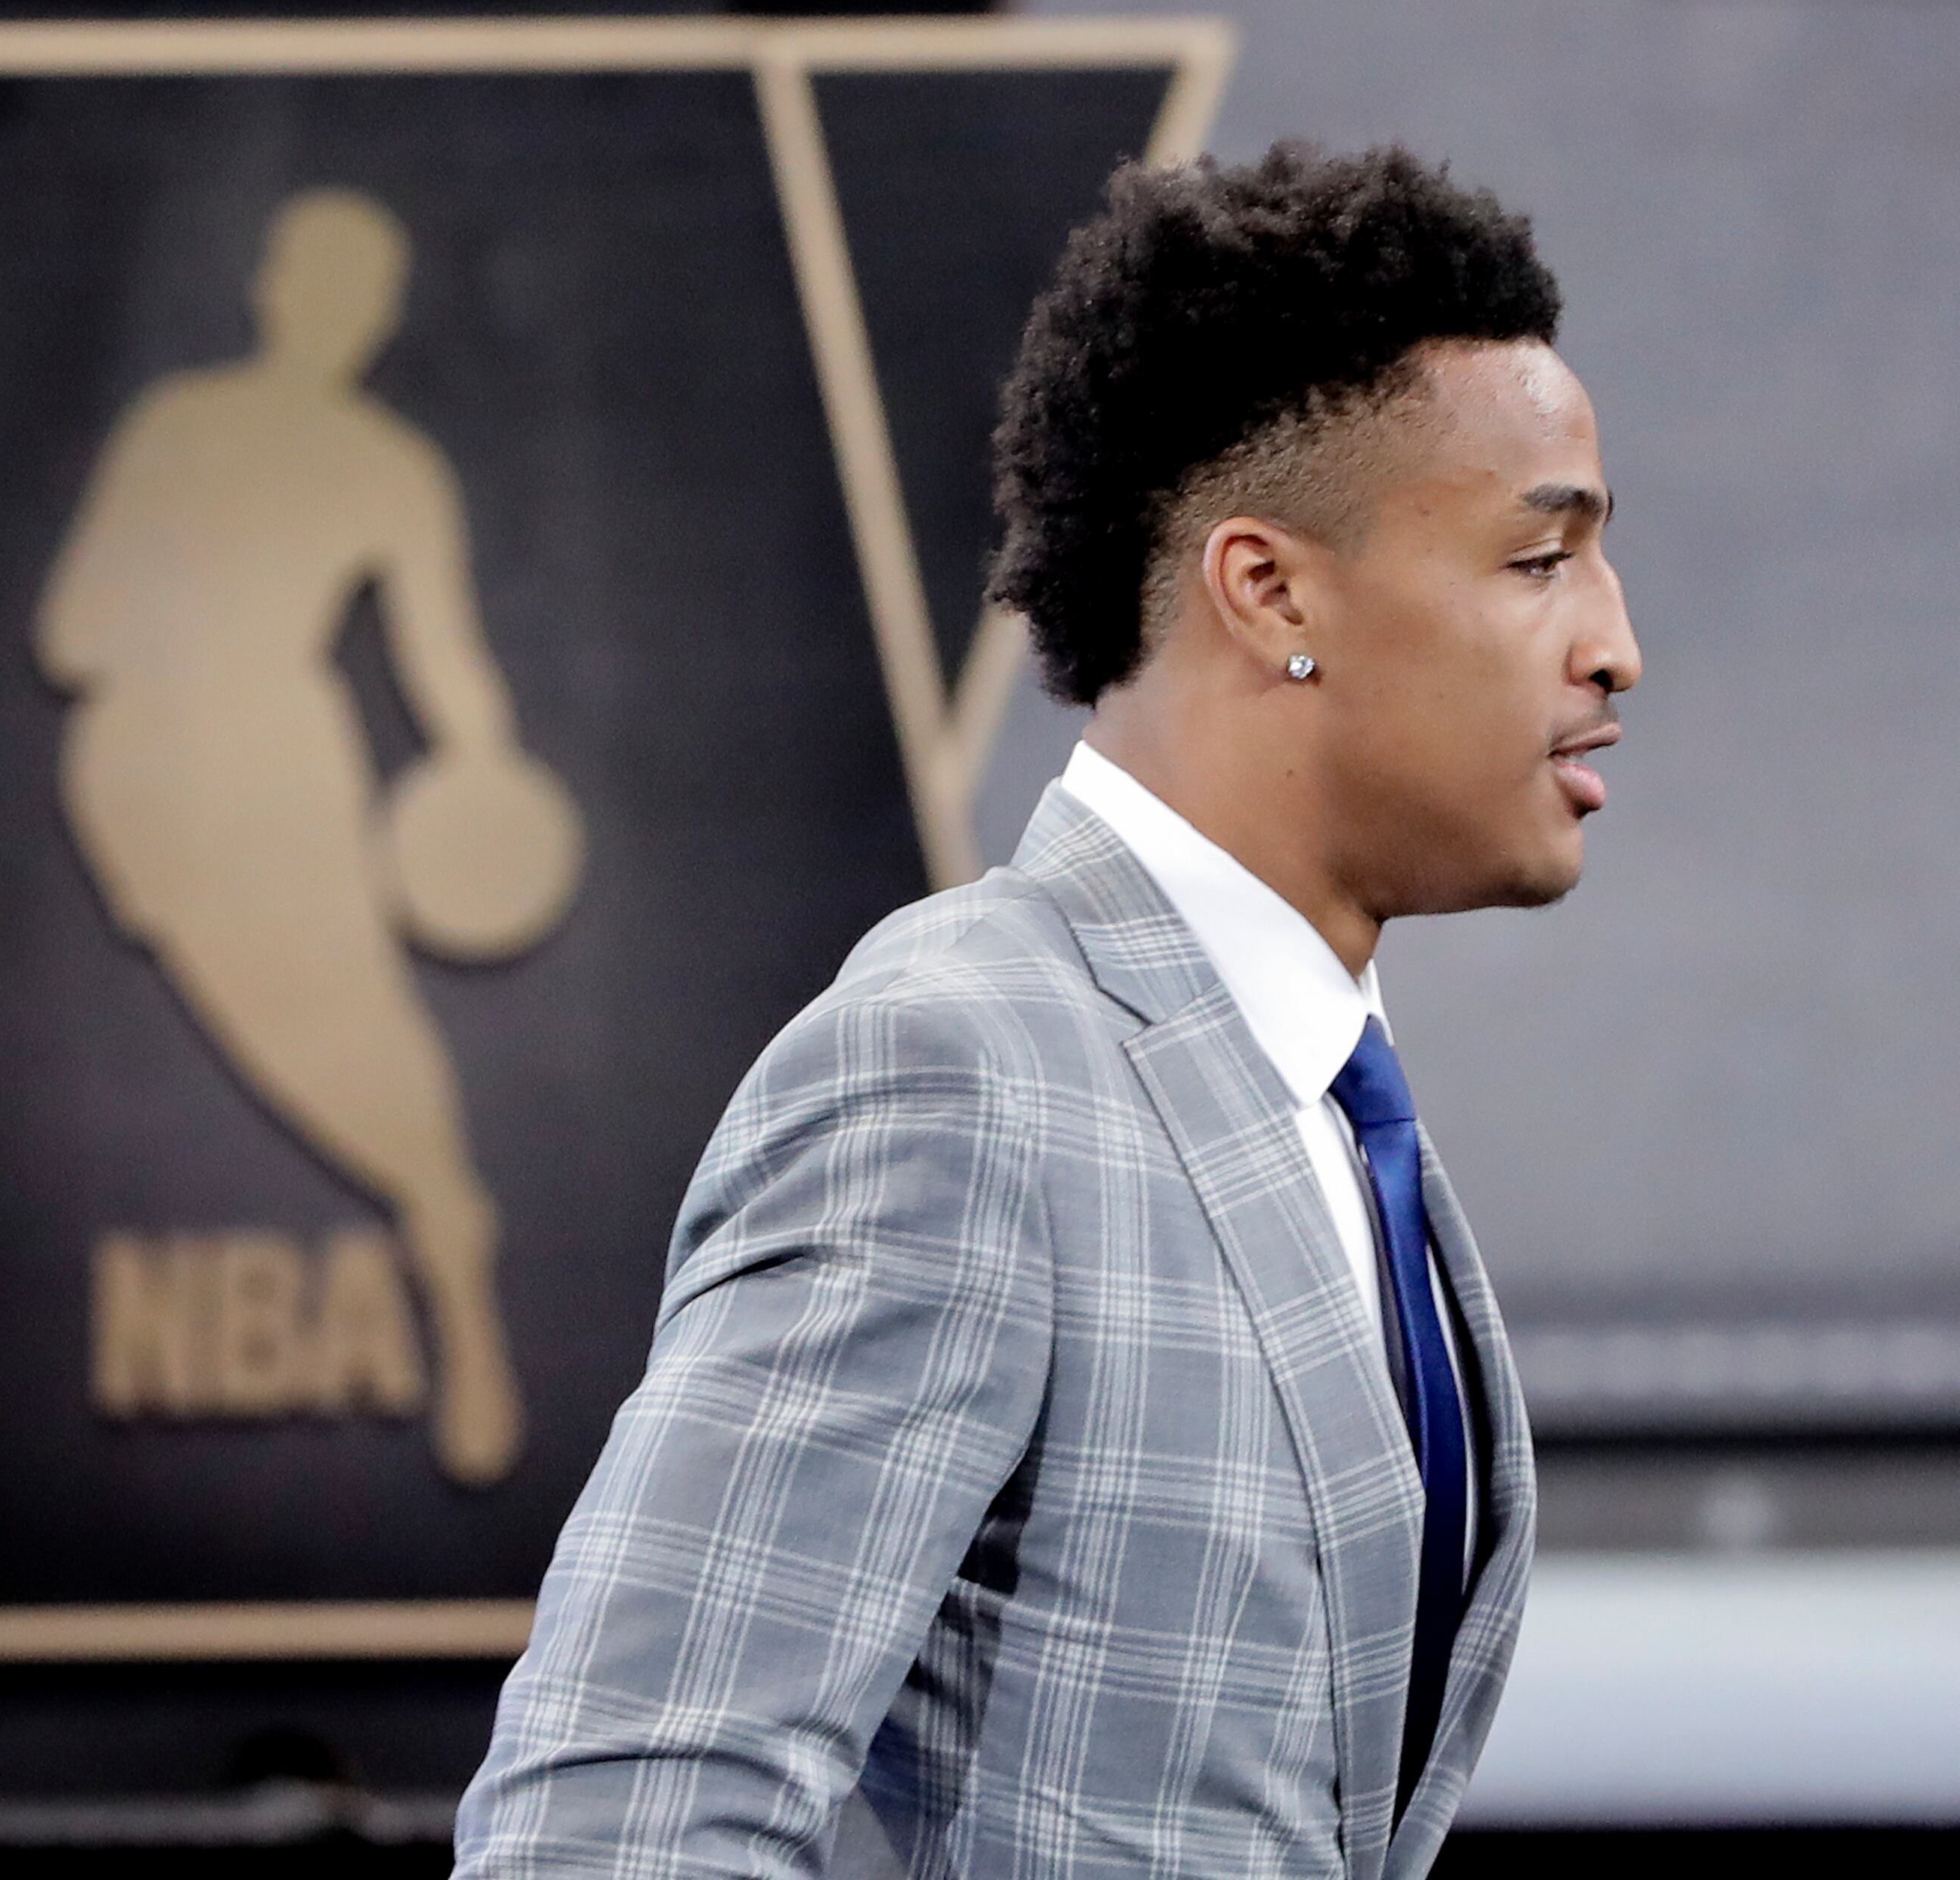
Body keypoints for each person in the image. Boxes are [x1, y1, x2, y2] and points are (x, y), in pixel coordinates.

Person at [457, 145, 1637, 1878]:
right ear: (1272, 590)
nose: (1614, 644)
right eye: (1540, 559)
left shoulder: (1316, 1093)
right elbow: (611, 1832)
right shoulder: (956, 1070)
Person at [38, 188, 564, 1487]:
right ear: (271, 286)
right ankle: (443, 1213)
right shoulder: (178, 426)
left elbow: (449, 666)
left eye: (355, 293)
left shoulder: (394, 467)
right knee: (285, 1022)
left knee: (353, 1018)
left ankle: (450, 1249)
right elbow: (72, 628)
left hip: (282, 758)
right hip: (154, 769)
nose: (330, 312)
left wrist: (487, 777)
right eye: (312, 280)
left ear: (378, 317)